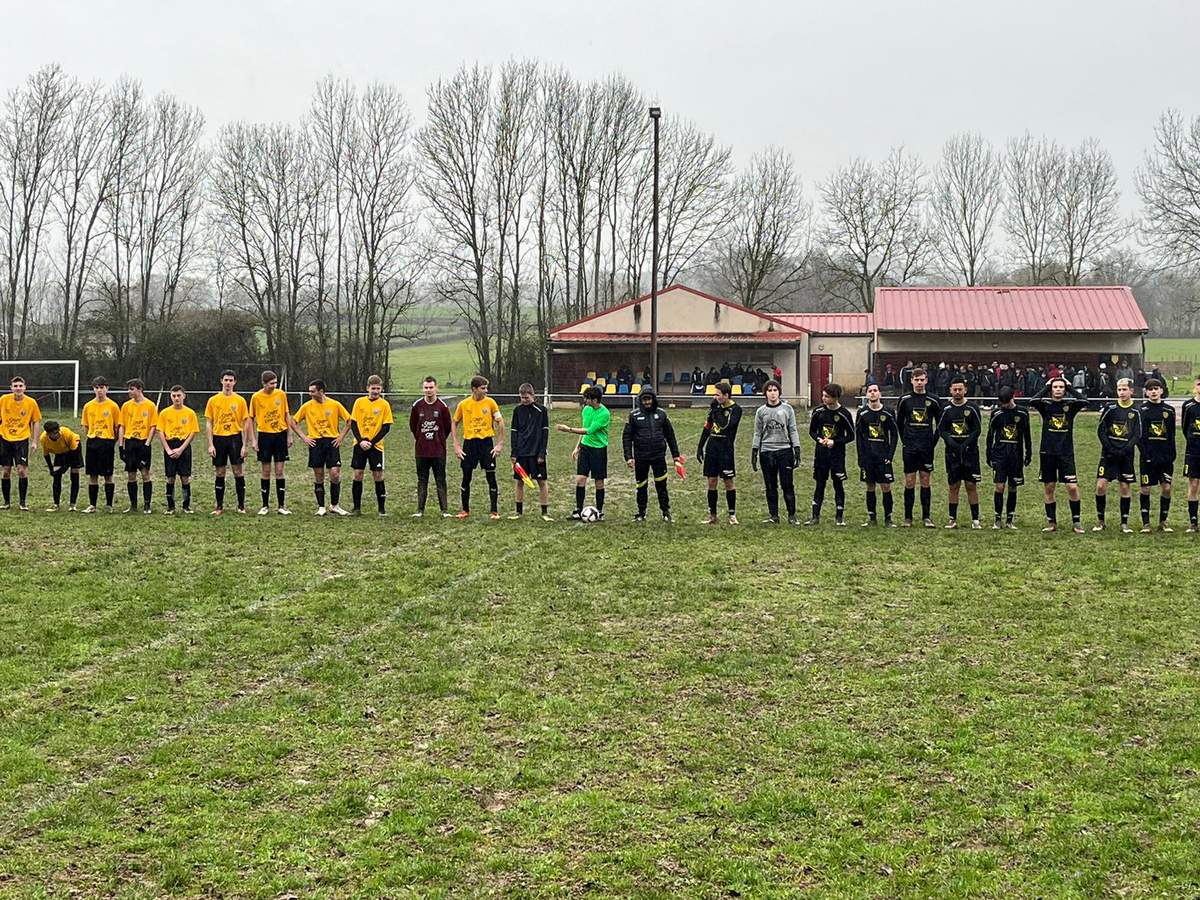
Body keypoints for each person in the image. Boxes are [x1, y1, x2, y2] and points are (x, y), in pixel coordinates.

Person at [1029, 376, 1089, 533]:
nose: (1058, 390)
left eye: (1061, 387)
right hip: (1047, 452)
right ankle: (1052, 523)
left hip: (1066, 453)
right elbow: (1032, 401)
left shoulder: (1069, 405)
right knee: (1049, 487)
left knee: (1072, 487)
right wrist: (1045, 387)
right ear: (1051, 390)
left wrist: (1070, 388)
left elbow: (1085, 401)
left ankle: (1076, 522)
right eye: (1055, 387)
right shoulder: (1046, 405)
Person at [290, 379, 352, 517]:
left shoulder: (334, 405)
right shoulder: (307, 406)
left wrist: (341, 437)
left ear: (321, 391)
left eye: (313, 391)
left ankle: (335, 505)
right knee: (318, 475)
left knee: (335, 474)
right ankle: (321, 507)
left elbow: (349, 421)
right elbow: (293, 422)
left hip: (331, 442)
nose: (310, 393)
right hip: (316, 443)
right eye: (309, 391)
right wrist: (304, 437)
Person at [623, 386, 681, 522]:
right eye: (644, 399)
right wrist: (628, 457)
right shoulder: (633, 416)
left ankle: (666, 512)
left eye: (649, 399)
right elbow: (627, 437)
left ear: (653, 399)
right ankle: (641, 513)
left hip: (658, 457)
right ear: (640, 400)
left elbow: (670, 435)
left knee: (661, 485)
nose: (647, 402)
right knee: (641, 486)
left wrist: (675, 455)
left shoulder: (662, 414)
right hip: (641, 457)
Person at [453, 375, 505, 520]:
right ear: (474, 389)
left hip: (486, 443)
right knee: (466, 477)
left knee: (491, 476)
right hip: (469, 444)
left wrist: (500, 444)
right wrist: (456, 445)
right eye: (483, 388)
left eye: (486, 388)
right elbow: (454, 422)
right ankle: (465, 510)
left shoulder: (491, 403)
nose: (486, 391)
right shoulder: (463, 404)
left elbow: (501, 422)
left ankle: (494, 511)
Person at [1093, 377, 1141, 533]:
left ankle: (1124, 523)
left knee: (1124, 486)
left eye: (1125, 389)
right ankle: (1100, 521)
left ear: (1131, 391)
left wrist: (1125, 449)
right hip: (1108, 454)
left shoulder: (1136, 410)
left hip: (1125, 455)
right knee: (1100, 486)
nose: (1122, 392)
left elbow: (1137, 434)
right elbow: (1101, 430)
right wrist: (1110, 448)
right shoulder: (1110, 408)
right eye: (1119, 389)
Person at [751, 379, 801, 525]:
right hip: (767, 452)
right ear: (765, 393)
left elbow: (792, 429)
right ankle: (774, 515)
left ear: (779, 392)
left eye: (775, 390)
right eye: (769, 390)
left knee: (787, 484)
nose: (772, 393)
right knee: (770, 485)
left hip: (784, 451)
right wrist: (755, 451)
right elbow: (757, 432)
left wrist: (796, 448)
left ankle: (792, 516)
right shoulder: (761, 411)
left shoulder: (787, 409)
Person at [896, 367, 941, 527]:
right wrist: (905, 440)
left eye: (922, 380)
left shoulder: (933, 400)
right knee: (909, 481)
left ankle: (926, 517)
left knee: (925, 480)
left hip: (926, 447)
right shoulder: (905, 399)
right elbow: (899, 423)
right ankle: (908, 518)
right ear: (912, 381)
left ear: (926, 380)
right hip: (910, 447)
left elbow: (940, 424)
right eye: (917, 380)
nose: (920, 383)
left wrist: (932, 442)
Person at [805, 383, 855, 526]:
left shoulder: (844, 414)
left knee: (838, 484)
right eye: (823, 395)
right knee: (819, 484)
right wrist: (820, 439)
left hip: (837, 455)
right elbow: (812, 431)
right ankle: (815, 516)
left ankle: (839, 517)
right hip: (821, 455)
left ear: (835, 397)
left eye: (827, 396)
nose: (823, 398)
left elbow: (851, 436)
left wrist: (835, 442)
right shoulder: (818, 411)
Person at [557, 385, 609, 520]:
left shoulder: (604, 414)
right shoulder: (586, 410)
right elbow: (583, 430)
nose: (585, 401)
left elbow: (589, 431)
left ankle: (599, 511)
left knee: (599, 482)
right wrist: (577, 447)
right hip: (585, 449)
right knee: (580, 479)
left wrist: (568, 429)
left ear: (595, 400)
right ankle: (578, 510)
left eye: (587, 399)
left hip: (598, 450)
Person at [938, 375, 983, 528]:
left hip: (970, 453)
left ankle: (975, 520)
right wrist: (950, 441)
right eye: (955, 389)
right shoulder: (946, 409)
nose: (957, 392)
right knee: (954, 485)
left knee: (971, 485)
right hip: (952, 453)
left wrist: (966, 443)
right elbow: (941, 429)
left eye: (960, 389)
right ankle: (952, 519)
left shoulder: (972, 408)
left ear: (965, 390)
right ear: (950, 390)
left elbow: (977, 429)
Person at [205, 369, 250, 516]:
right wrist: (210, 444)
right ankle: (219, 507)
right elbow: (209, 423)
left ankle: (241, 506)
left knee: (238, 471)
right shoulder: (213, 400)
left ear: (235, 382)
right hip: (219, 438)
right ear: (221, 381)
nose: (228, 383)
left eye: (231, 380)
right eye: (226, 380)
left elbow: (246, 423)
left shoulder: (240, 400)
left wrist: (245, 445)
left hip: (235, 438)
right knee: (220, 472)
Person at [696, 381, 742, 525]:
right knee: (711, 481)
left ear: (726, 395)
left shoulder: (736, 410)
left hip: (726, 449)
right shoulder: (715, 408)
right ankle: (713, 515)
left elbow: (724, 425)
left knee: (728, 481)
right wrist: (700, 446)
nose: (715, 397)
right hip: (712, 448)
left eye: (717, 395)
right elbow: (707, 426)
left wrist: (716, 411)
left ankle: (732, 515)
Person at [985, 386, 1032, 529]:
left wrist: (1028, 453)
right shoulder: (997, 413)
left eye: (1006, 402)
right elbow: (990, 435)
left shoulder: (1023, 413)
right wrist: (989, 454)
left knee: (1013, 487)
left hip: (1015, 456)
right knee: (999, 487)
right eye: (1002, 402)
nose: (1004, 405)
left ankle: (1010, 519)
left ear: (1013, 398)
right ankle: (997, 519)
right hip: (1000, 455)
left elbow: (1027, 435)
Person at [248, 370, 293, 516]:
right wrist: (254, 440)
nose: (274, 385)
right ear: (264, 383)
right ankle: (265, 505)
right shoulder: (256, 397)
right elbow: (250, 419)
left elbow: (287, 415)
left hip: (280, 435)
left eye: (275, 382)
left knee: (279, 471)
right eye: (271, 383)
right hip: (264, 436)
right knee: (266, 471)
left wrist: (289, 435)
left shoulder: (281, 395)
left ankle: (281, 505)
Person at [855, 382, 899, 527]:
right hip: (868, 457)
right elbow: (859, 437)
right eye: (870, 391)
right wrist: (861, 457)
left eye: (875, 390)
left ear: (879, 393)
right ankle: (872, 518)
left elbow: (894, 434)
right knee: (870, 486)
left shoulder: (888, 412)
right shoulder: (862, 413)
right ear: (866, 394)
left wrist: (890, 455)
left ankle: (888, 518)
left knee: (886, 486)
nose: (873, 393)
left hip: (883, 457)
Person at [349, 375, 394, 516]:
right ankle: (356, 508)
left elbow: (386, 427)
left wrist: (372, 442)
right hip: (359, 445)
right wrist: (361, 440)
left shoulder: (384, 405)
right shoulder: (359, 402)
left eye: (378, 388)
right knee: (358, 474)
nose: (375, 391)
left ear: (381, 389)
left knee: (378, 475)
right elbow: (354, 424)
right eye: (373, 388)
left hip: (376, 446)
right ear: (367, 388)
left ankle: (381, 509)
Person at [409, 376, 452, 518]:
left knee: (440, 479)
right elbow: (413, 426)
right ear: (423, 389)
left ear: (436, 388)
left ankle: (444, 510)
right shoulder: (417, 406)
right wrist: (422, 439)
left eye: (431, 387)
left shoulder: (443, 407)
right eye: (426, 387)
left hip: (438, 451)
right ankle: (420, 510)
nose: (428, 390)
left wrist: (438, 440)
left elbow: (447, 427)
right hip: (421, 451)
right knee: (422, 480)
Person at [1137, 377, 1175, 533]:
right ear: (1146, 392)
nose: (1153, 392)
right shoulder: (1141, 410)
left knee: (1166, 488)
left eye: (1156, 389)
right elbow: (1139, 435)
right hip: (1148, 457)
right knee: (1145, 489)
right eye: (1150, 389)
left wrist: (1172, 454)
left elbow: (1172, 434)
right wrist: (1145, 453)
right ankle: (1146, 523)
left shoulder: (1169, 410)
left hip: (1165, 458)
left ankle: (1163, 521)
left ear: (1161, 391)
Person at [508, 382, 551, 520]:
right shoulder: (517, 411)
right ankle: (518, 512)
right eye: (522, 397)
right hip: (521, 453)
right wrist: (514, 453)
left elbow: (545, 433)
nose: (524, 400)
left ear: (533, 395)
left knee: (542, 482)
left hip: (536, 453)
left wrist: (542, 452)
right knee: (519, 482)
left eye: (526, 397)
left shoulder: (542, 411)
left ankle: (544, 512)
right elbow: (514, 433)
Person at [0, 375, 42, 511]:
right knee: (6, 471)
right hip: (5, 439)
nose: (18, 388)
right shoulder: (3, 400)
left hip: (22, 439)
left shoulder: (31, 403)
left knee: (21, 470)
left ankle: (23, 503)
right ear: (11, 388)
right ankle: (6, 502)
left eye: (20, 386)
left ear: (25, 387)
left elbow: (36, 422)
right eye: (15, 386)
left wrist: (35, 441)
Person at [80, 376, 120, 513]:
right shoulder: (88, 406)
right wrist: (92, 436)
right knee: (93, 475)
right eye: (96, 388)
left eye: (102, 388)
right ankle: (92, 505)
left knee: (108, 475)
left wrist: (111, 441)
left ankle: (109, 505)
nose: (99, 390)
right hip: (92, 442)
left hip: (107, 442)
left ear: (107, 389)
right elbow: (85, 426)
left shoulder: (113, 406)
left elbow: (117, 427)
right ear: (93, 389)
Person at [157, 385, 199, 515]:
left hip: (183, 446)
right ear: (171, 397)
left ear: (184, 396)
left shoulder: (190, 413)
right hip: (170, 444)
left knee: (185, 477)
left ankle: (186, 506)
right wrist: (168, 450)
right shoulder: (164, 413)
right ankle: (170, 507)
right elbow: (160, 432)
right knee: (170, 478)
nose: (176, 398)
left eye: (179, 396)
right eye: (174, 396)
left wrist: (181, 449)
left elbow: (192, 433)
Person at [118, 378, 157, 514]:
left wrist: (147, 444)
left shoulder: (150, 405)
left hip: (143, 442)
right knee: (131, 474)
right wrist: (121, 445)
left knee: (145, 473)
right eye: (129, 389)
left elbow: (153, 426)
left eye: (131, 389)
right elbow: (122, 426)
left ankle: (147, 505)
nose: (129, 392)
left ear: (139, 389)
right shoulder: (126, 406)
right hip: (130, 442)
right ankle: (133, 505)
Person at [39, 420, 82, 512]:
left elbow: (73, 454)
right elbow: (46, 455)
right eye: (54, 433)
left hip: (74, 449)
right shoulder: (43, 439)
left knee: (74, 474)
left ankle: (72, 504)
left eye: (58, 431)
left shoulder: (66, 433)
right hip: (59, 453)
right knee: (56, 476)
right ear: (48, 434)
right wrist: (51, 469)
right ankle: (56, 504)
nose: (57, 434)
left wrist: (66, 466)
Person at [1181, 376, 1200, 533]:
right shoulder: (1188, 406)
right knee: (1193, 484)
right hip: (1193, 452)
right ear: (1195, 386)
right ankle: (1193, 522)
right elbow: (1185, 428)